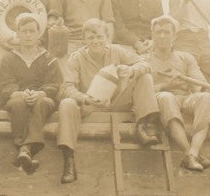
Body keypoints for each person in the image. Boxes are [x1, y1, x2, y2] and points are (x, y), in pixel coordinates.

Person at [56, 17, 160, 184]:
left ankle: (142, 126)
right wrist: (83, 98)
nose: (95, 41)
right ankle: (68, 159)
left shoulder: (117, 51)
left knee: (144, 76)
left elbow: (145, 64)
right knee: (66, 103)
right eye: (90, 37)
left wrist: (131, 70)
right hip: (92, 105)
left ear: (107, 37)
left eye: (99, 36)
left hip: (117, 100)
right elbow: (66, 87)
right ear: (84, 39)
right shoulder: (76, 58)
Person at [144, 15, 210, 172]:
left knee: (207, 98)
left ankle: (192, 153)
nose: (162, 36)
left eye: (166, 32)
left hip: (185, 100)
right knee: (167, 97)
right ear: (152, 35)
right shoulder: (143, 60)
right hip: (160, 101)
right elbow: (141, 93)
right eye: (158, 32)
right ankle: (190, 154)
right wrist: (167, 85)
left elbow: (199, 85)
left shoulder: (186, 58)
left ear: (174, 36)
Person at [0, 12, 61, 174]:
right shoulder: (8, 58)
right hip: (17, 97)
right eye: (24, 31)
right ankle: (27, 149)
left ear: (38, 34)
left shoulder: (49, 58)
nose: (27, 35)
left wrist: (41, 93)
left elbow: (54, 84)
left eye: (32, 31)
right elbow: (5, 85)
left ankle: (24, 148)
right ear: (17, 34)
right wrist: (18, 93)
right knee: (18, 103)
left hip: (43, 98)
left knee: (41, 103)